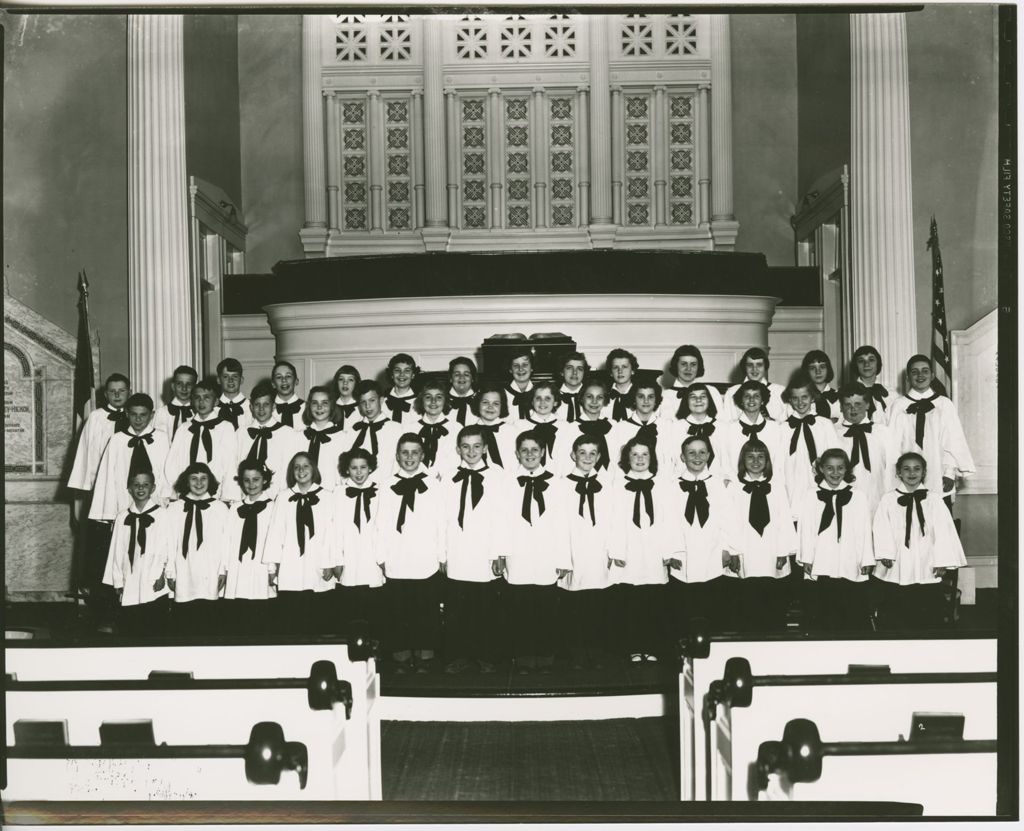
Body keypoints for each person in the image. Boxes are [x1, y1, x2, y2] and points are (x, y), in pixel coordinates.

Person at [439, 425, 513, 673]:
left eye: (477, 446)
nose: (471, 451)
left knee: (486, 609)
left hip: (485, 551)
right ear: (458, 449)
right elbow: (442, 519)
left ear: (486, 448)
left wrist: (499, 553)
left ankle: (486, 656)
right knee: (457, 610)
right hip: (458, 550)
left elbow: (503, 518)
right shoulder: (448, 476)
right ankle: (458, 656)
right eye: (466, 446)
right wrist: (443, 553)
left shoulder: (498, 475)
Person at [373, 433, 445, 672]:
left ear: (422, 455)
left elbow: (441, 522)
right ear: (397, 456)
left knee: (425, 609)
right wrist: (381, 556)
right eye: (405, 452)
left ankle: (425, 657)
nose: (410, 457)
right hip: (397, 557)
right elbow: (380, 523)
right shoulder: (386, 484)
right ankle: (401, 657)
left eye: (415, 452)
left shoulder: (434, 484)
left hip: (425, 557)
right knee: (398, 610)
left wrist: (442, 555)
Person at [872, 452, 966, 630]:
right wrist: (885, 553)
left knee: (927, 605)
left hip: (926, 559)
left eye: (917, 469)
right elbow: (881, 528)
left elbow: (944, 532)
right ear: (898, 472)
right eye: (906, 469)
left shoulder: (934, 500)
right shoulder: (888, 499)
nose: (911, 473)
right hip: (898, 559)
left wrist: (942, 561)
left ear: (924, 472)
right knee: (897, 604)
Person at [503, 431, 571, 673]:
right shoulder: (507, 482)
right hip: (518, 553)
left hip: (547, 553)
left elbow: (563, 523)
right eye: (524, 450)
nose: (530, 454)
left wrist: (564, 558)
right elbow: (502, 521)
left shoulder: (558, 483)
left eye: (535, 449)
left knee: (546, 607)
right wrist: (502, 553)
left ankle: (545, 657)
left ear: (543, 452)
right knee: (519, 607)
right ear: (517, 454)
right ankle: (522, 657)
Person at [607, 437, 676, 662]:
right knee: (632, 603)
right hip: (629, 550)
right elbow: (613, 521)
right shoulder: (617, 486)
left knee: (654, 601)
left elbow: (668, 520)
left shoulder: (662, 484)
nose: (639, 459)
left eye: (644, 454)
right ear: (627, 458)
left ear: (652, 458)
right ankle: (634, 648)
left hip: (655, 550)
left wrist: (669, 552)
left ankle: (653, 647)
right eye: (634, 454)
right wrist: (616, 551)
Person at [795, 448, 875, 631]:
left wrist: (866, 559)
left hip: (849, 558)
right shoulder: (810, 495)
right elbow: (805, 529)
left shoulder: (858, 496)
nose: (835, 473)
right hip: (822, 559)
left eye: (840, 468)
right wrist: (807, 557)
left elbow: (864, 529)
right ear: (821, 469)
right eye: (830, 468)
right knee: (823, 610)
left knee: (850, 610)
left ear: (847, 470)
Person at [723, 439, 797, 631]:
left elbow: (784, 521)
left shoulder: (777, 486)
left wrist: (783, 551)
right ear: (742, 460)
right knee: (746, 599)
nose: (755, 461)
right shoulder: (734, 488)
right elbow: (728, 522)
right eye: (750, 457)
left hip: (771, 549)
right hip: (745, 551)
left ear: (767, 460)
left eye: (760, 457)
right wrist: (732, 551)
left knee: (772, 599)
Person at [667, 436, 736, 635]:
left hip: (712, 552)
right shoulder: (672, 486)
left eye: (702, 452)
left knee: (712, 602)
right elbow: (668, 521)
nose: (697, 457)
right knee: (684, 605)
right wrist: (672, 551)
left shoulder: (718, 485)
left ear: (709, 455)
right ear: (682, 456)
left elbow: (727, 519)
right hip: (683, 553)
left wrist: (727, 549)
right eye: (691, 452)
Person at [262, 452, 336, 635]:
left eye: (306, 466)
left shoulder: (327, 497)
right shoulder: (284, 497)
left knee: (318, 615)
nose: (301, 470)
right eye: (296, 467)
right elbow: (275, 533)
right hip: (290, 564)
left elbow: (331, 532)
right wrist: (273, 567)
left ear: (314, 469)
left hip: (317, 563)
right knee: (292, 618)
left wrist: (329, 563)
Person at [887, 354, 975, 506]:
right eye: (914, 372)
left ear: (932, 375)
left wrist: (949, 473)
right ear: (908, 377)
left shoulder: (944, 404)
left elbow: (953, 441)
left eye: (925, 371)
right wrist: (897, 474)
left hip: (938, 473)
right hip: (907, 475)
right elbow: (892, 445)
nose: (920, 375)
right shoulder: (898, 405)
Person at [557, 435, 614, 668]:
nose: (587, 457)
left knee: (598, 605)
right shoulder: (560, 485)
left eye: (593, 453)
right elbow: (558, 524)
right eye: (582, 452)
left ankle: (597, 652)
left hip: (599, 552)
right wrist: (562, 556)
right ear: (573, 455)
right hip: (574, 551)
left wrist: (613, 550)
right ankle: (577, 654)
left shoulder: (608, 484)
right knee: (575, 606)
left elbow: (614, 520)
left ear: (599, 457)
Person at [102, 470, 171, 636]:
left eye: (145, 485)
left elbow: (167, 547)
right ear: (129, 489)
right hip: (130, 577)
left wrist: (162, 575)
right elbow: (116, 550)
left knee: (153, 622)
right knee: (131, 624)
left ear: (153, 488)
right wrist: (117, 580)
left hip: (153, 578)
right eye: (136, 485)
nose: (141, 488)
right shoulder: (122, 517)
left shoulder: (162, 514)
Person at [164, 462, 230, 635]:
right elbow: (170, 542)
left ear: (210, 481)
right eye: (194, 478)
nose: (199, 483)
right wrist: (170, 571)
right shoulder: (174, 508)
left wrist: (223, 570)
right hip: (184, 569)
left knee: (210, 619)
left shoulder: (221, 508)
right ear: (186, 482)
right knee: (185, 621)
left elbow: (226, 542)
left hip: (211, 569)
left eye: (203, 478)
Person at [90, 393, 172, 524]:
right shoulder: (117, 440)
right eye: (134, 414)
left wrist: (167, 497)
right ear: (127, 414)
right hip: (124, 500)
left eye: (143, 415)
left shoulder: (162, 438)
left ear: (152, 415)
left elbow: (168, 472)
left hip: (156, 499)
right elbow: (107, 476)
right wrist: (110, 508)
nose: (138, 419)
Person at [331, 448, 385, 639]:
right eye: (354, 468)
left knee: (374, 610)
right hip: (349, 558)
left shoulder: (381, 491)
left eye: (363, 467)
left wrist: (383, 558)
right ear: (347, 469)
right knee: (350, 611)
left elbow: (383, 528)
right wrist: (337, 559)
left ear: (370, 468)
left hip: (372, 559)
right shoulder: (338, 493)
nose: (359, 472)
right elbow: (334, 529)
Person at [222, 459, 276, 635]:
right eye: (247, 480)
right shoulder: (234, 508)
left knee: (261, 618)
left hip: (261, 568)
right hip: (239, 568)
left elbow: (274, 540)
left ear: (265, 480)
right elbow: (227, 541)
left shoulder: (273, 507)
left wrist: (272, 568)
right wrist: (225, 569)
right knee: (239, 619)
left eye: (256, 479)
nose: (251, 484)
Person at [223, 383, 302, 502]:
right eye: (257, 405)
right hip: (246, 498)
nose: (261, 409)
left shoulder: (288, 433)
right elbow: (233, 466)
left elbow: (288, 469)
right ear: (250, 407)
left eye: (266, 404)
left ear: (274, 406)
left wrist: (283, 499)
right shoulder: (241, 433)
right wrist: (234, 498)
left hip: (275, 498)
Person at [781, 375, 841, 511]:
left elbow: (835, 456)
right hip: (792, 484)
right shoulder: (783, 428)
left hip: (819, 483)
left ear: (812, 397)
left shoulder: (825, 424)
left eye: (804, 397)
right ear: (790, 400)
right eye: (795, 398)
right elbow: (779, 463)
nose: (800, 402)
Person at [164, 379, 237, 489]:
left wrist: (227, 494)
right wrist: (178, 488)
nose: (201, 402)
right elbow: (172, 462)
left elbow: (230, 463)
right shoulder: (184, 428)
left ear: (216, 401)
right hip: (187, 489)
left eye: (207, 397)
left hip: (216, 490)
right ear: (192, 401)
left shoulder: (226, 427)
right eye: (197, 398)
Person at [836, 382, 894, 515]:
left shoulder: (883, 432)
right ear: (841, 407)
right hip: (845, 499)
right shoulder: (834, 434)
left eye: (858, 404)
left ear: (868, 404)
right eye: (848, 405)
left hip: (878, 496)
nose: (853, 409)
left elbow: (891, 467)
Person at [718, 381, 787, 489]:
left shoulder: (775, 428)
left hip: (769, 487)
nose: (751, 400)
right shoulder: (729, 429)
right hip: (737, 487)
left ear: (763, 400)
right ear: (741, 401)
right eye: (747, 396)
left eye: (756, 396)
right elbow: (725, 462)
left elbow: (779, 462)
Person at [608, 381, 669, 474]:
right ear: (634, 399)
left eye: (651, 396)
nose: (646, 401)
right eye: (641, 396)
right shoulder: (619, 428)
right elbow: (614, 463)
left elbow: (672, 461)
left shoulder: (667, 426)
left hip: (661, 481)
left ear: (656, 400)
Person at [665, 382, 721, 478]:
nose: (698, 400)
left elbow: (727, 460)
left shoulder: (722, 427)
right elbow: (671, 459)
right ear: (686, 402)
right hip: (683, 478)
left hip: (717, 479)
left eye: (703, 396)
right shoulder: (675, 427)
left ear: (709, 400)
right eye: (693, 397)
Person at [346, 380, 404, 474]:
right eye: (363, 402)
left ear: (381, 400)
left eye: (372, 400)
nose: (367, 406)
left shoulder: (396, 429)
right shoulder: (352, 431)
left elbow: (399, 464)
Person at [561, 377, 614, 474]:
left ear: (605, 400)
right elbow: (565, 462)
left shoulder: (614, 426)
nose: (594, 401)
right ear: (581, 398)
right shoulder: (570, 428)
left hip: (610, 479)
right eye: (589, 396)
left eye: (599, 397)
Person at [512, 380, 567, 474]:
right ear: (532, 402)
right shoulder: (519, 426)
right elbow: (515, 458)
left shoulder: (565, 427)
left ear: (555, 402)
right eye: (538, 398)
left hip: (558, 476)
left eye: (547, 398)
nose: (542, 402)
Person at [297, 386, 347, 490]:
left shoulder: (343, 438)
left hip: (332, 496)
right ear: (309, 406)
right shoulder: (299, 437)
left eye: (324, 403)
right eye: (315, 403)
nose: (319, 407)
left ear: (332, 406)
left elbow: (345, 476)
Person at [662, 345, 724, 420]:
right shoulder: (664, 396)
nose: (688, 369)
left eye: (693, 364)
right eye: (683, 364)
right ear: (676, 365)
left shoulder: (712, 392)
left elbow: (721, 421)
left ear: (698, 367)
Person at [723, 348, 786, 422]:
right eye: (750, 365)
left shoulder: (780, 391)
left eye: (759, 365)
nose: (754, 369)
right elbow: (726, 422)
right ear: (744, 367)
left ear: (765, 366)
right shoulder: (732, 392)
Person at [413, 379, 459, 473]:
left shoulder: (457, 428)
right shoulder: (410, 428)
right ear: (421, 401)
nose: (433, 401)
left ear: (445, 400)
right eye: (428, 397)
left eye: (438, 397)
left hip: (447, 481)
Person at [469, 382, 517, 470]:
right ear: (477, 404)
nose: (490, 407)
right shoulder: (469, 433)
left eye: (496, 403)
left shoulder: (513, 432)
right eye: (485, 402)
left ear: (502, 406)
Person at [153, 365, 197, 439]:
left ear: (195, 387)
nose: (184, 388)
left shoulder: (198, 413)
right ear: (173, 386)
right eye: (179, 384)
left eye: (188, 384)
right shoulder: (161, 413)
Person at [850, 345, 890, 423]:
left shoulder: (891, 394)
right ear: (856, 365)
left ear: (878, 363)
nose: (866, 364)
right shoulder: (845, 393)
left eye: (871, 360)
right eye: (861, 361)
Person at [799, 350, 840, 421]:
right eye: (812, 368)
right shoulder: (799, 399)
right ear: (806, 371)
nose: (818, 371)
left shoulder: (840, 397)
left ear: (828, 369)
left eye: (822, 366)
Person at [383, 353, 419, 425]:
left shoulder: (420, 401)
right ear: (391, 374)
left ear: (413, 375)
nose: (402, 374)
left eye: (407, 370)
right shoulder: (381, 399)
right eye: (397, 370)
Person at [605, 348, 639, 422]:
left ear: (633, 370)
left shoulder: (642, 396)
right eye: (615, 367)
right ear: (611, 372)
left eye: (624, 367)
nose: (620, 371)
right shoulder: (602, 396)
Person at [216, 357, 250, 430]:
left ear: (241, 380)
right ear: (218, 380)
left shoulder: (251, 407)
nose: (230, 380)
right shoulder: (213, 408)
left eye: (235, 376)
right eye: (225, 377)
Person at [504, 347, 536, 420]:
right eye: (516, 365)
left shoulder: (540, 392)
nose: (520, 369)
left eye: (525, 365)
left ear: (532, 368)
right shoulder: (501, 394)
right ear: (510, 369)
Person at [556, 352, 589, 423]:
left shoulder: (591, 397)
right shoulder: (553, 396)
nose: (574, 372)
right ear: (562, 372)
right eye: (569, 368)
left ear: (584, 373)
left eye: (579, 369)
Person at [271, 361, 305, 428]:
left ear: (296, 381)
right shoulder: (266, 410)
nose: (284, 380)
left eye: (288, 376)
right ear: (273, 384)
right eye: (279, 377)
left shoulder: (307, 408)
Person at [447, 357, 479, 426]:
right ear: (450, 378)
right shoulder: (440, 401)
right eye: (457, 374)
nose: (461, 377)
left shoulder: (482, 401)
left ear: (472, 378)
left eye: (466, 374)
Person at [333, 364, 362, 430]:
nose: (345, 382)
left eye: (350, 380)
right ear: (336, 382)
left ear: (356, 383)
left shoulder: (362, 409)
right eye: (341, 379)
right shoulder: (329, 408)